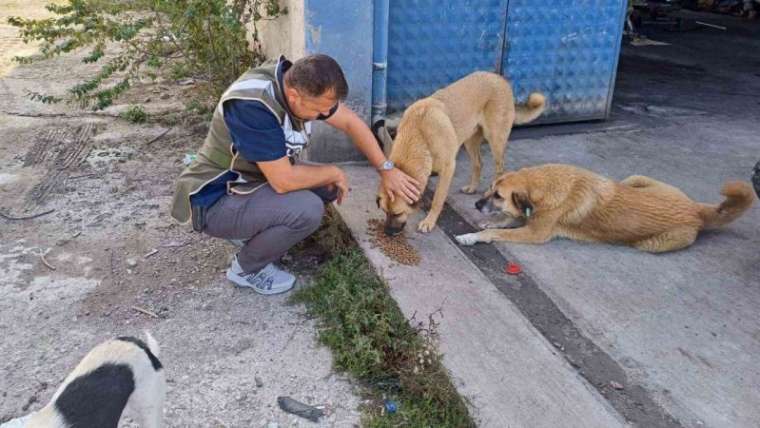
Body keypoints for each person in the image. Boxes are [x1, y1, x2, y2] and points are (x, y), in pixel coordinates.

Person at [171, 54, 420, 294]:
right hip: (213, 199)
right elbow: (283, 181)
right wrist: (333, 171)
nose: (322, 116)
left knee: (328, 187)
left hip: (247, 182)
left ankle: (254, 232)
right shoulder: (253, 106)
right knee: (308, 209)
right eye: (318, 111)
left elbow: (350, 122)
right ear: (294, 96)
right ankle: (246, 268)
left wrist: (386, 169)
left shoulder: (296, 83)